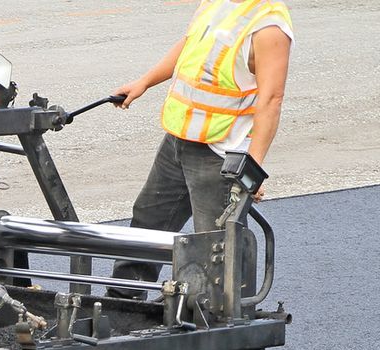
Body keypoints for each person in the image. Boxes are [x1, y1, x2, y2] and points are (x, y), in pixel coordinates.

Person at [111, 0, 294, 282]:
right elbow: (190, 44)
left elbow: (272, 99)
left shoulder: (269, 25)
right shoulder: (216, 2)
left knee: (215, 249)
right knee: (147, 223)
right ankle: (122, 302)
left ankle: (220, 320)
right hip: (179, 139)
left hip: (220, 154)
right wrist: (144, 82)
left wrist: (251, 170)